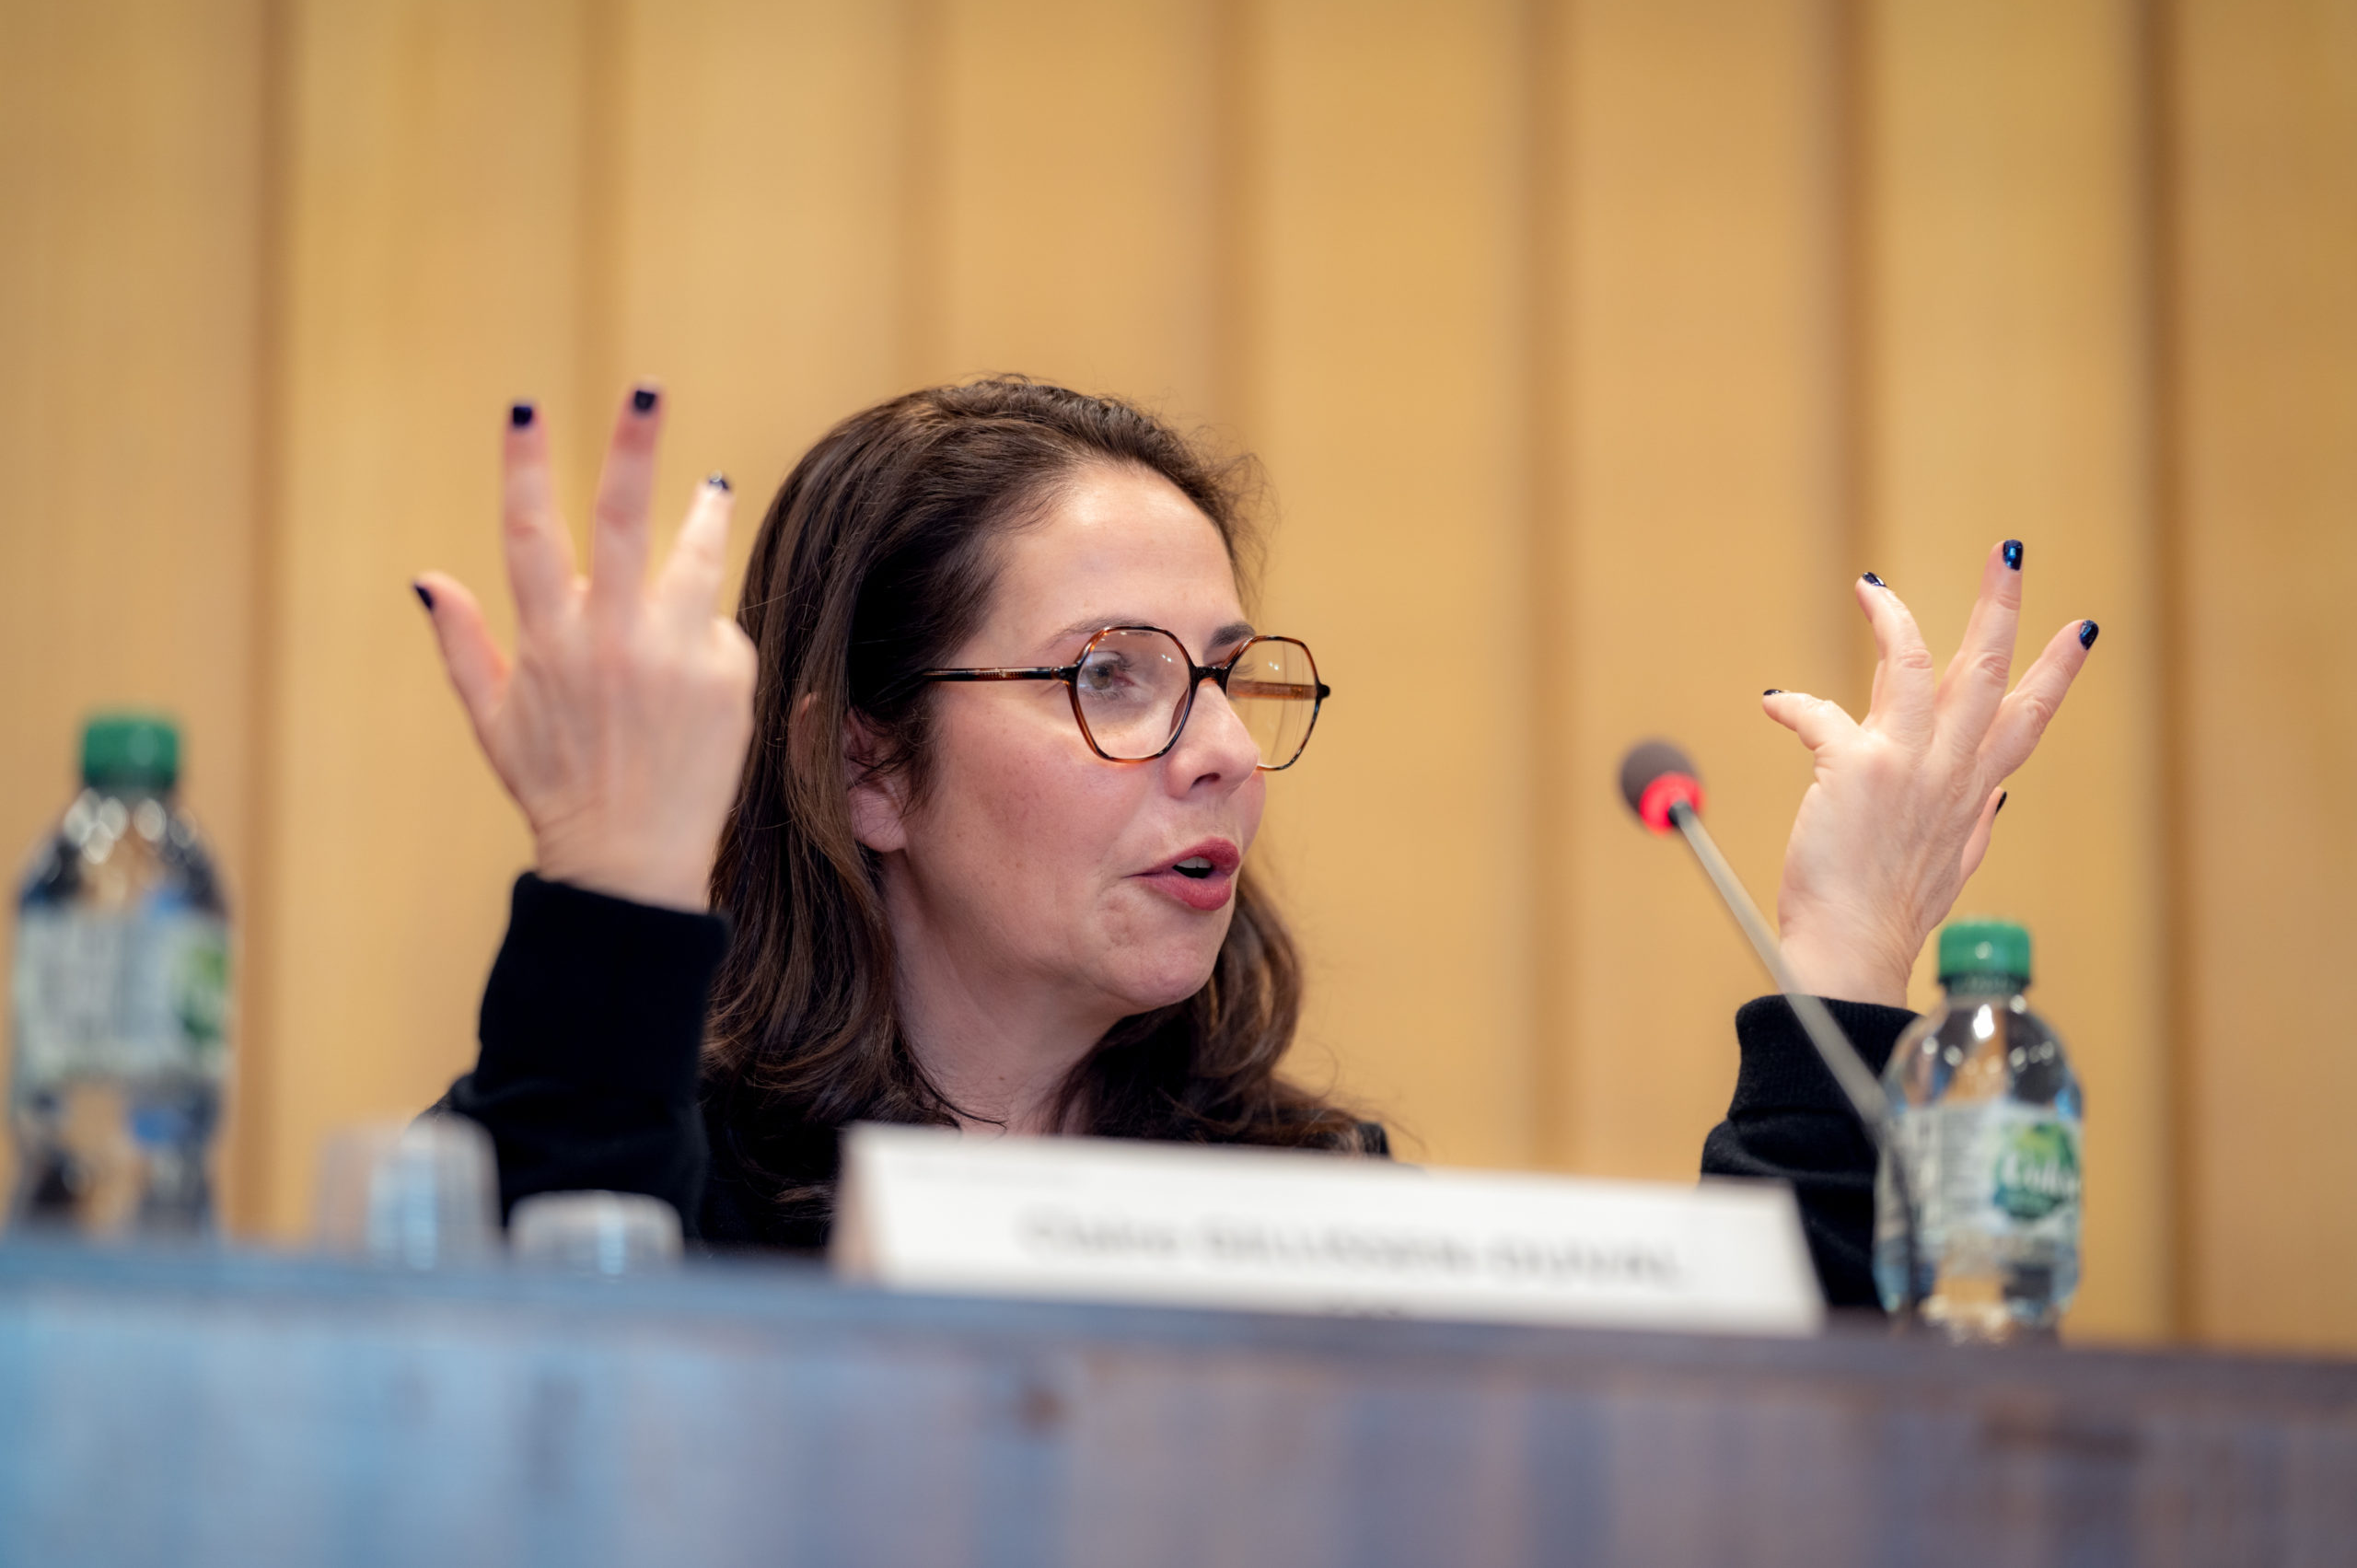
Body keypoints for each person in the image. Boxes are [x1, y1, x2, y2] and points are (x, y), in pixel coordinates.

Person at [416, 377, 2095, 1304]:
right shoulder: (669, 1167)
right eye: (1115, 678)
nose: (1223, 752)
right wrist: (616, 892)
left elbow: (1745, 1494)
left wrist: (1846, 962)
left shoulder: (1314, 1216)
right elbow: (518, 1426)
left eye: (1225, 676)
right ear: (869, 768)